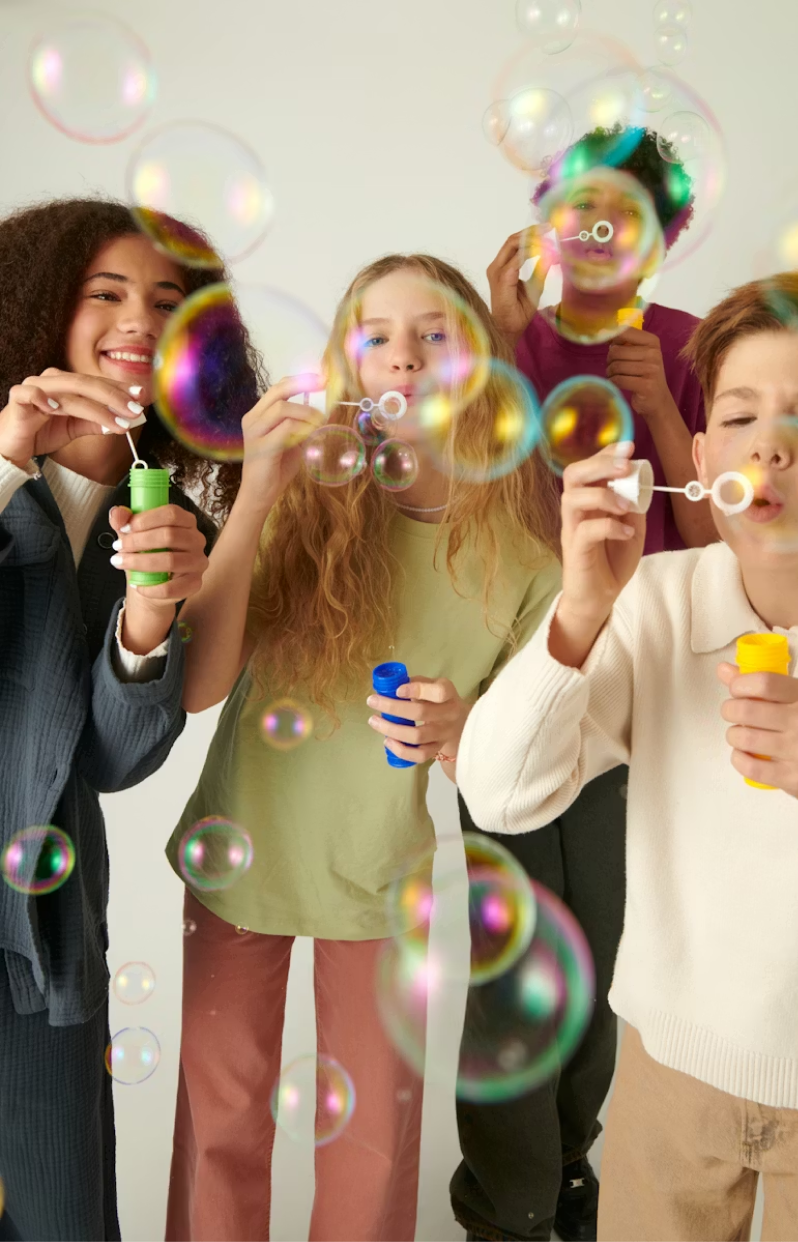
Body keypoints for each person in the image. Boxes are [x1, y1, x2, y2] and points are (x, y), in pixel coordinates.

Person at [455, 270, 798, 1242]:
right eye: (743, 413)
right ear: (702, 453)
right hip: (668, 1083)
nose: (771, 444)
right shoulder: (654, 604)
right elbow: (499, 794)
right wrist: (581, 609)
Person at [162, 253, 563, 1242]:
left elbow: (523, 762)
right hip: (242, 848)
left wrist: (462, 731)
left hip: (383, 877)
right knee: (219, 1122)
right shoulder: (302, 495)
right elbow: (199, 687)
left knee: (374, 1151)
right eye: (374, 336)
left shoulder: (526, 555)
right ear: (347, 364)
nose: (404, 357)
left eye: (435, 333)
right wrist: (255, 491)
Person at [452, 125, 717, 1242]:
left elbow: (722, 548)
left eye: (627, 215)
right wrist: (506, 351)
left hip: (649, 705)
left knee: (606, 959)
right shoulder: (499, 343)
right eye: (581, 208)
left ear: (668, 234)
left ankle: (570, 1180)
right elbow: (465, 512)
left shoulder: (694, 347)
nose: (599, 232)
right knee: (516, 968)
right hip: (514, 687)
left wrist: (664, 412)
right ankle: (503, 1209)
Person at [0, 198, 260, 1242]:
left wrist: (147, 621)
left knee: (63, 1216)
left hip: (41, 929)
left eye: (168, 303)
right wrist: (11, 462)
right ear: (39, 310)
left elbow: (107, 758)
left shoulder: (172, 525)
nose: (140, 320)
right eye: (105, 294)